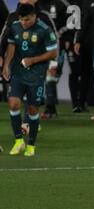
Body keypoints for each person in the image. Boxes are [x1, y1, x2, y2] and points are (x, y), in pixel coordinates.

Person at [2, 3, 57, 156]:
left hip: (36, 75)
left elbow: (53, 53)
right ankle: (18, 141)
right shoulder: (15, 26)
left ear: (34, 16)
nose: (24, 23)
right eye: (21, 20)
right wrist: (6, 65)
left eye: (27, 20)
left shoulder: (44, 30)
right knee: (13, 104)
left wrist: (32, 60)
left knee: (33, 110)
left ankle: (31, 145)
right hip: (18, 73)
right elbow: (11, 47)